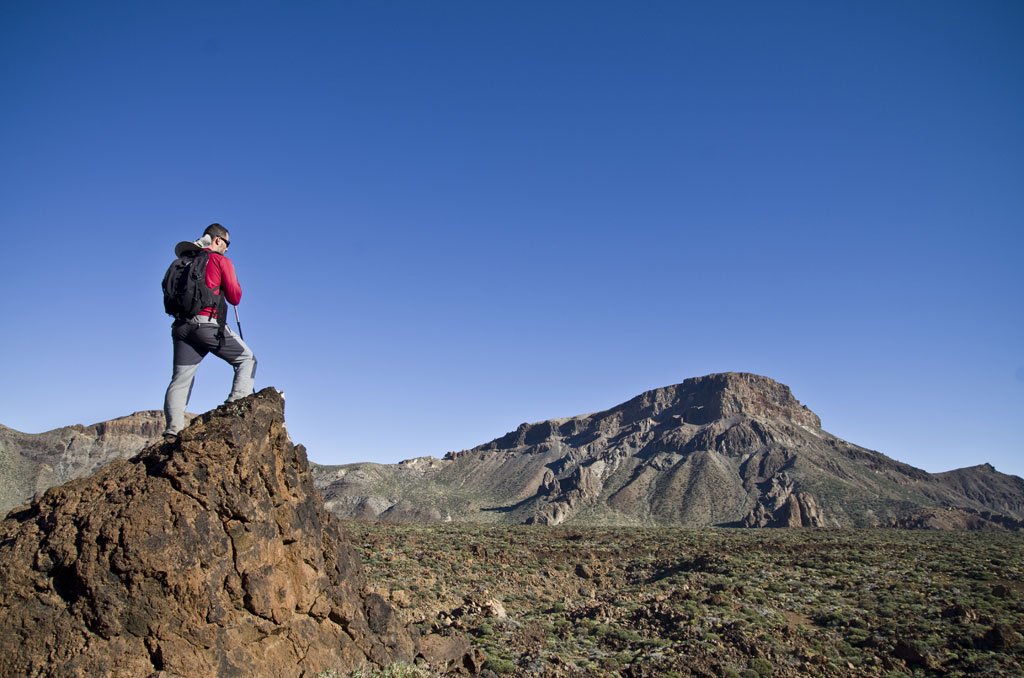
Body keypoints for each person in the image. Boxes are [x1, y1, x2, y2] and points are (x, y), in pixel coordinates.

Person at [162, 223, 257, 440]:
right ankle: (236, 404)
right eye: (226, 243)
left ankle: (172, 430)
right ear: (216, 240)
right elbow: (235, 297)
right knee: (247, 360)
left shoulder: (183, 263)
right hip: (206, 324)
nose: (227, 248)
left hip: (180, 328)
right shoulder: (219, 260)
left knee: (180, 379)